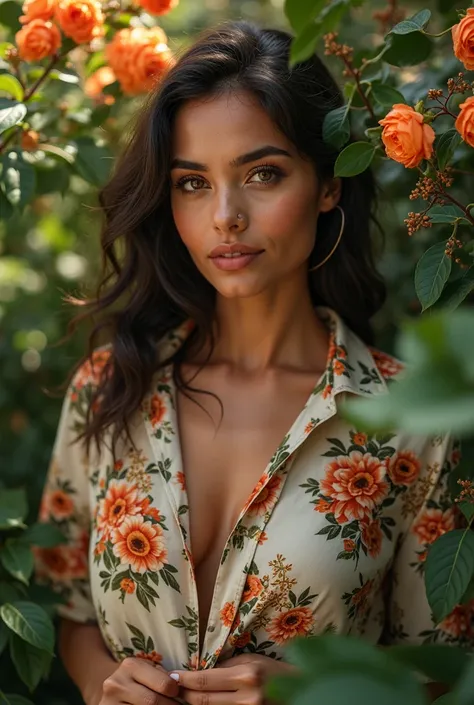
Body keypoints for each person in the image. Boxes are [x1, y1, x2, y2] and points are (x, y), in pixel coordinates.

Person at [35, 19, 464, 705]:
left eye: (263, 173)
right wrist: (99, 682)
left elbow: (444, 667)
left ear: (327, 185)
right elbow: (67, 604)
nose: (225, 217)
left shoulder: (412, 419)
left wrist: (318, 692)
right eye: (193, 183)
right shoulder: (110, 386)